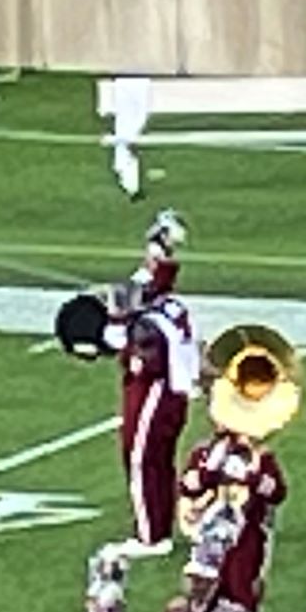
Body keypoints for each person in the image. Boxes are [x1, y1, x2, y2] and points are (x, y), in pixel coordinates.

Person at [109, 213, 201, 558]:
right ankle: (158, 527)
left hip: (156, 393)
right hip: (174, 395)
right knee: (159, 462)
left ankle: (151, 534)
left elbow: (139, 356)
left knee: (141, 459)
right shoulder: (174, 308)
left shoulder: (151, 323)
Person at [175, 405, 286, 611]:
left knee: (240, 598)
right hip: (207, 536)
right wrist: (211, 473)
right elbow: (187, 486)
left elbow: (277, 492)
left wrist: (248, 477)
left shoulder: (259, 457)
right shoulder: (205, 453)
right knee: (200, 595)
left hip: (245, 536)